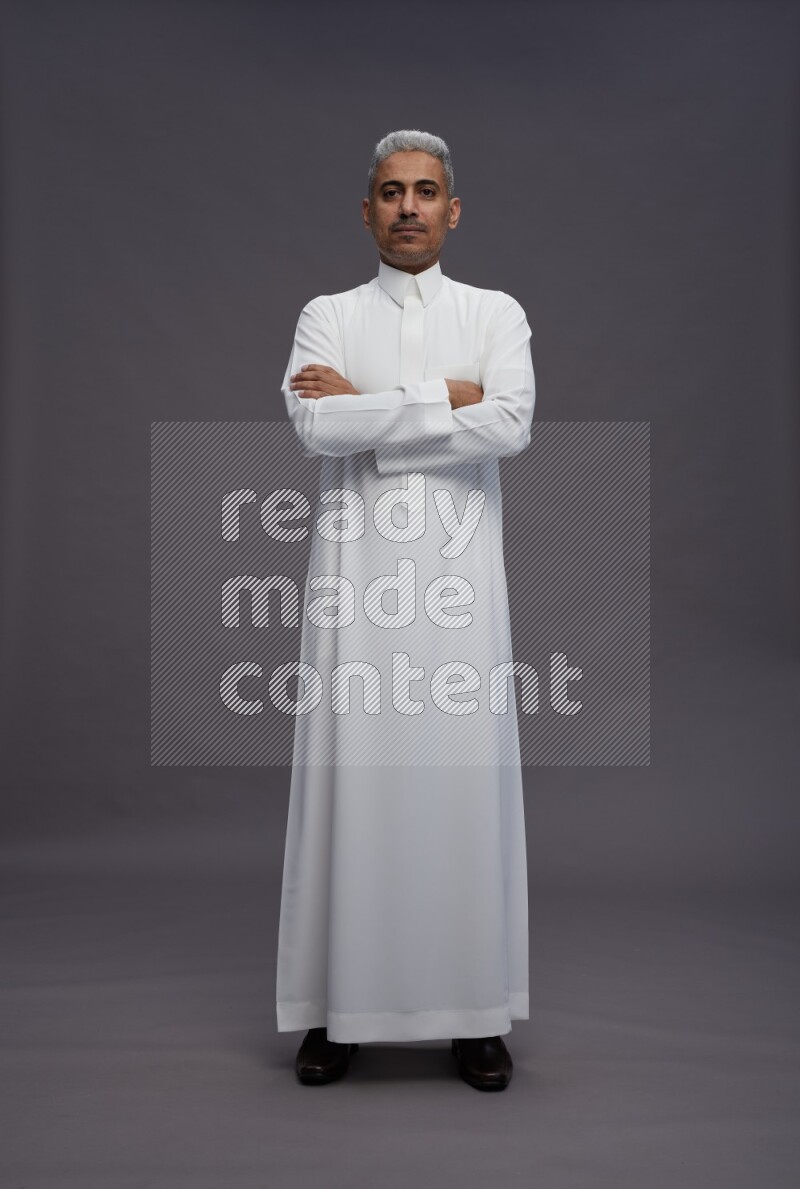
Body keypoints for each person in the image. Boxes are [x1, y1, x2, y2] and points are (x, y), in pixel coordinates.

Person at [275, 129, 536, 1091]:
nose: (410, 207)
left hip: (463, 594)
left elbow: (510, 421)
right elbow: (313, 423)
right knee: (353, 785)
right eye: (392, 192)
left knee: (462, 789)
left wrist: (376, 405)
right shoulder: (327, 314)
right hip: (355, 589)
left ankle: (473, 1014)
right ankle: (335, 1014)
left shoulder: (496, 311)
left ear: (453, 209)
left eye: (427, 192)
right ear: (368, 210)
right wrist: (444, 400)